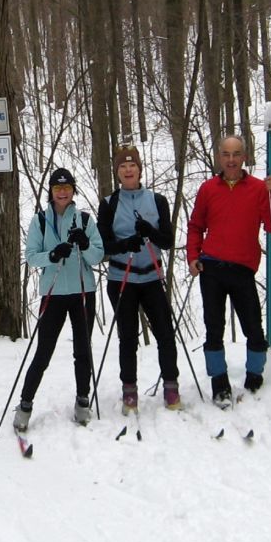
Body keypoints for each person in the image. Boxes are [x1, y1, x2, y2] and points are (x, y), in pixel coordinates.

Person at [186, 135, 271, 408]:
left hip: (242, 268)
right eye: (226, 154)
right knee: (214, 328)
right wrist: (193, 256)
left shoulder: (258, 188)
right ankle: (219, 383)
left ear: (244, 157)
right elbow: (196, 226)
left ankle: (255, 376)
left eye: (236, 154)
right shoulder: (208, 188)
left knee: (253, 327)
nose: (231, 160)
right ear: (220, 157)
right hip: (211, 267)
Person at [13, 168, 105, 431]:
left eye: (66, 188)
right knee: (43, 352)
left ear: (73, 190)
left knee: (83, 350)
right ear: (51, 192)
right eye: (57, 188)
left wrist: (84, 244)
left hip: (82, 292)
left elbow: (98, 256)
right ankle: (25, 404)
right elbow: (32, 257)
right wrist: (52, 255)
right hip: (53, 294)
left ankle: (83, 400)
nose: (62, 192)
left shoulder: (84, 220)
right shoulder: (41, 221)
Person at [97, 145, 181, 413]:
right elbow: (103, 246)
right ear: (117, 172)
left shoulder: (157, 201)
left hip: (151, 277)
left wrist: (150, 232)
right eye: (122, 166)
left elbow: (167, 241)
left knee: (165, 333)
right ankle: (129, 391)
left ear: (140, 169)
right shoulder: (109, 204)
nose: (128, 170)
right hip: (122, 278)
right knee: (128, 337)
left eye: (132, 165)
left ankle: (171, 386)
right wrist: (125, 244)